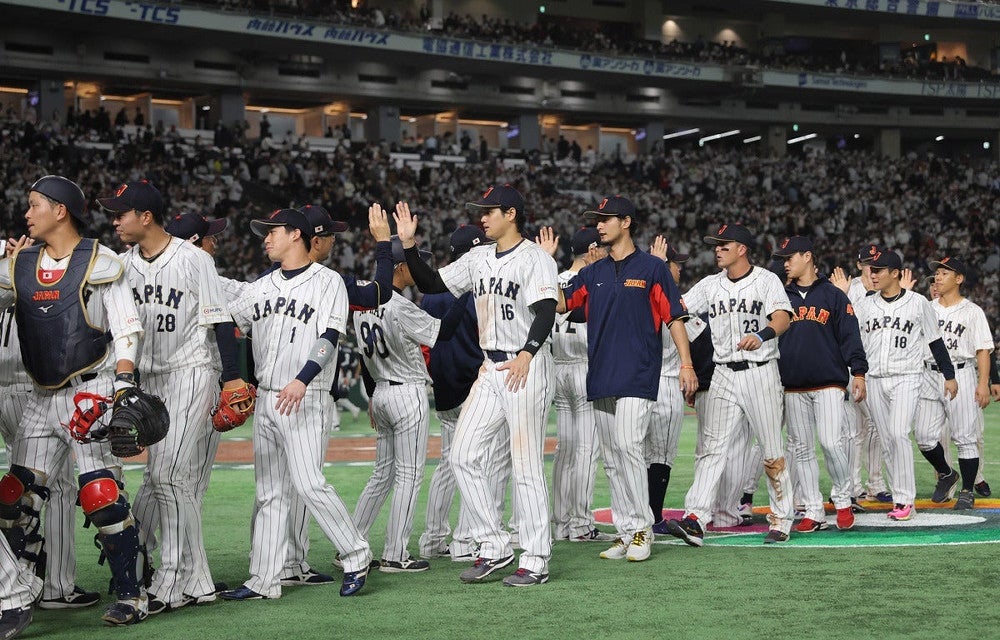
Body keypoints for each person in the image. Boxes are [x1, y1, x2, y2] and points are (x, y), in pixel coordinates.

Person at [0, 175, 147, 625]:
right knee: (13, 496)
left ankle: (132, 594)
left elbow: (126, 327)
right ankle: (23, 586)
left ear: (60, 210)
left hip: (92, 388)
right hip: (42, 395)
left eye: (34, 205)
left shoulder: (99, 261)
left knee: (99, 493)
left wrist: (123, 385)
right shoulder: (21, 264)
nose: (27, 214)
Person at [394, 185, 559, 587]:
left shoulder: (536, 258)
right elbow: (432, 284)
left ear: (512, 214)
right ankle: (495, 544)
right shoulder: (479, 256)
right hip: (491, 366)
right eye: (481, 211)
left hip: (526, 365)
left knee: (525, 466)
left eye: (490, 211)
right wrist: (409, 245)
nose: (482, 217)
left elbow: (546, 309)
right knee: (463, 454)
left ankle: (535, 558)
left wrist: (528, 352)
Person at [101, 181, 245, 614]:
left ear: (145, 216)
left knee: (167, 478)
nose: (114, 220)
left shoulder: (194, 259)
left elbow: (221, 322)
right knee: (171, 481)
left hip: (190, 373)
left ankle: (169, 581)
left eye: (121, 213)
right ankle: (197, 580)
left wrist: (233, 379)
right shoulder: (121, 264)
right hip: (148, 382)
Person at [220, 208, 373, 600]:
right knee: (269, 492)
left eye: (272, 232)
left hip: (307, 396)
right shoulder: (262, 286)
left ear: (296, 235)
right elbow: (225, 318)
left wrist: (303, 378)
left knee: (309, 484)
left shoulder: (328, 282)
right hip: (268, 396)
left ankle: (356, 555)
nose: (265, 239)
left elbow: (330, 336)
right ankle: (263, 580)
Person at [543, 196, 696, 563]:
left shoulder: (652, 268)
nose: (599, 225)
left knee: (628, 446)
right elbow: (561, 302)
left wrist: (687, 366)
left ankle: (642, 526)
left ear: (626, 222)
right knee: (612, 458)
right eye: (597, 220)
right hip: (601, 375)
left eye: (606, 219)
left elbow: (674, 318)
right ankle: (627, 531)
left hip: (638, 374)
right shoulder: (592, 273)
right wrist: (542, 264)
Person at [664, 223, 795, 545]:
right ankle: (696, 517)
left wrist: (762, 335)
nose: (718, 249)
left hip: (760, 370)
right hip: (723, 371)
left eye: (725, 245)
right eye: (716, 245)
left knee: (771, 449)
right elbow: (676, 309)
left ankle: (782, 518)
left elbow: (783, 317)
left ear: (742, 249)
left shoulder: (766, 280)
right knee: (712, 448)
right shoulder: (710, 285)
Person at [352, 237, 440, 572]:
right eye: (415, 262)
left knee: (382, 475)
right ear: (400, 266)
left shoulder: (363, 301)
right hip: (407, 393)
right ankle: (394, 554)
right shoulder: (400, 305)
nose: (421, 268)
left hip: (381, 391)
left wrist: (372, 394)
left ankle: (351, 545)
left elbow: (363, 357)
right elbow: (439, 334)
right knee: (409, 476)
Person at [852, 246, 957, 521]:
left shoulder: (917, 302)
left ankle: (905, 499)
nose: (872, 275)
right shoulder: (865, 304)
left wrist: (949, 375)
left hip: (907, 377)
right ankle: (899, 497)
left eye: (878, 270)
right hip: (874, 378)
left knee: (899, 433)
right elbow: (857, 345)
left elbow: (935, 341)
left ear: (895, 273)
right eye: (871, 270)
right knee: (887, 440)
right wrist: (858, 375)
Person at [772, 236, 868, 532]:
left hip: (829, 381)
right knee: (801, 449)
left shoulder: (833, 295)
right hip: (792, 383)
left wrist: (860, 373)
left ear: (808, 257)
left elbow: (851, 336)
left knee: (830, 441)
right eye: (783, 258)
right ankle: (813, 509)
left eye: (790, 257)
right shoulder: (778, 294)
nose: (785, 263)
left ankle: (842, 498)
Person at [418, 225, 490, 561]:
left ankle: (433, 538)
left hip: (443, 386)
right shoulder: (477, 284)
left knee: (449, 464)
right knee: (476, 463)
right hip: (472, 383)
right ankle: (464, 540)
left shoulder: (431, 291)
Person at [913, 257, 994, 509]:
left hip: (961, 372)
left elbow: (982, 350)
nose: (938, 277)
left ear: (959, 279)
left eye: (945, 273)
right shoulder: (926, 307)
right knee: (924, 436)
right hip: (928, 374)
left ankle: (968, 490)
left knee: (965, 437)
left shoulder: (972, 311)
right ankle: (947, 473)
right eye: (937, 273)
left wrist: (983, 384)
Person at [549, 227, 613, 543]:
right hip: (584, 368)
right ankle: (580, 524)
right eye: (602, 247)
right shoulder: (593, 282)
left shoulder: (554, 279)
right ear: (591, 250)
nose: (606, 251)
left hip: (556, 368)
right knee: (586, 451)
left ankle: (559, 523)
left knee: (565, 449)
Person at [833, 248, 890, 503]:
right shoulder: (847, 288)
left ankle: (873, 483)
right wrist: (841, 295)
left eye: (875, 263)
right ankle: (856, 486)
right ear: (859, 265)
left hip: (879, 367)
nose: (871, 268)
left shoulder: (885, 289)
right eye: (867, 263)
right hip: (852, 368)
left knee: (873, 427)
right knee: (856, 430)